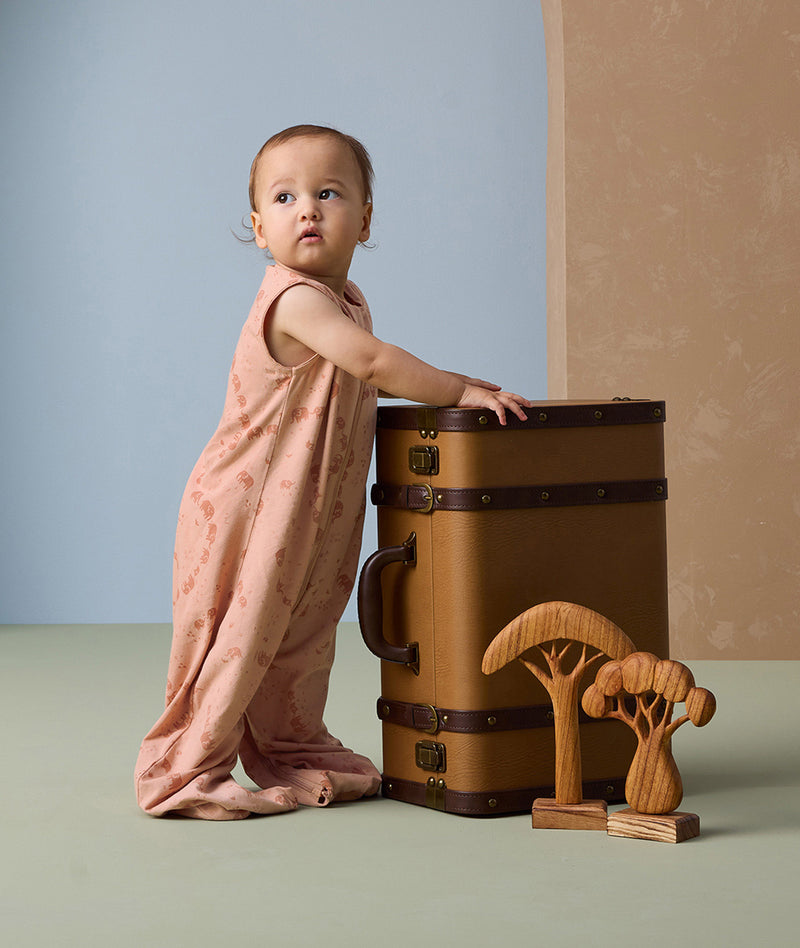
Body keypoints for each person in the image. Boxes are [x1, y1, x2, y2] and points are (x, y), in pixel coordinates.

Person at [134, 124, 532, 819]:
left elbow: (371, 368)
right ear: (260, 228)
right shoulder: (295, 301)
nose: (308, 209)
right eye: (285, 198)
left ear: (366, 217)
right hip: (247, 504)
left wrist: (461, 382)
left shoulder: (346, 301)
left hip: (306, 507)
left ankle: (290, 744)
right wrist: (456, 391)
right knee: (239, 633)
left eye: (328, 193)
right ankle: (185, 770)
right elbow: (376, 364)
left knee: (303, 633)